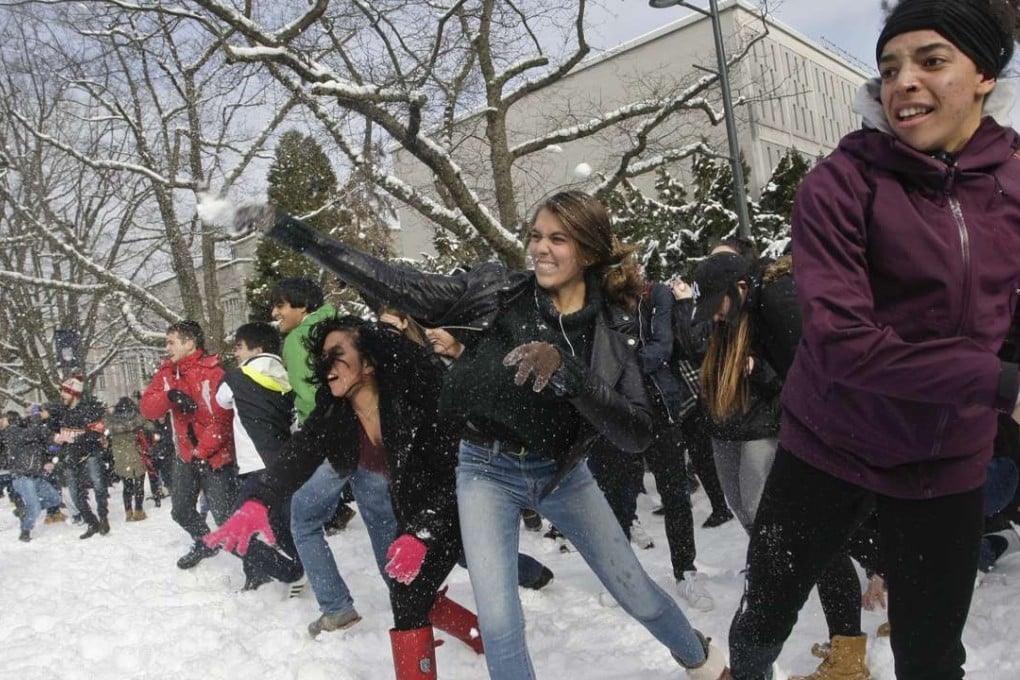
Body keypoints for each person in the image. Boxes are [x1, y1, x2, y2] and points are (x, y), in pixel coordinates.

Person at [231, 189, 728, 679]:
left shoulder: (613, 324)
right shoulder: (500, 294)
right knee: (499, 622)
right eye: (536, 235)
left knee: (635, 592)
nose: (541, 248)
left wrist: (573, 376)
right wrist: (290, 229)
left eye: (559, 238)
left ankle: (700, 661)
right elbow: (396, 283)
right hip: (485, 471)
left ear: (591, 251)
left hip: (562, 477)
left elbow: (636, 433)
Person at [727, 2, 1020, 678]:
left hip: (944, 461)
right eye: (890, 68)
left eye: (931, 61)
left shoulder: (1010, 185)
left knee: (931, 656)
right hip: (831, 444)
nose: (904, 82)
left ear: (983, 75)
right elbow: (843, 343)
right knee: (764, 615)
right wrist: (1001, 385)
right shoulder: (841, 183)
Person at [206, 315, 483, 678]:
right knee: (407, 591)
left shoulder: (416, 401)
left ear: (368, 362)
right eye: (323, 357)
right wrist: (259, 498)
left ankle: (489, 634)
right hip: (421, 510)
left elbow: (452, 475)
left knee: (435, 587)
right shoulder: (338, 410)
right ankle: (477, 636)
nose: (328, 367)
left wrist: (421, 533)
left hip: (471, 500)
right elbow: (300, 453)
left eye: (337, 355)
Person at [140, 320, 237, 569]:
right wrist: (169, 396)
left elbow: (222, 421)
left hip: (215, 457)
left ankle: (259, 563)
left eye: (171, 342)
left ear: (190, 343)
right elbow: (148, 408)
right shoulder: (167, 374)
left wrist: (201, 452)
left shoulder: (213, 372)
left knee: (225, 518)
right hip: (185, 456)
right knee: (180, 510)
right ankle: (206, 542)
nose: (166, 347)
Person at [214, 321, 304, 592]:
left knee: (232, 531)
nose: (237, 354)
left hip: (256, 467)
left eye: (240, 347)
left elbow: (221, 400)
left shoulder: (237, 377)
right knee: (282, 526)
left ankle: (292, 572)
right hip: (286, 463)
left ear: (257, 348)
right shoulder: (289, 377)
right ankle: (304, 569)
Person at [51, 375, 110, 539]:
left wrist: (75, 439)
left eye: (65, 392)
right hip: (70, 456)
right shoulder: (61, 412)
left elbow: (96, 432)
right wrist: (56, 438)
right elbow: (53, 432)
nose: (62, 395)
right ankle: (92, 522)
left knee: (99, 486)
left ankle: (103, 516)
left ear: (74, 394)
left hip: (90, 453)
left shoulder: (89, 410)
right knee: (75, 492)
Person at [1, 410, 63, 542]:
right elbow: (29, 434)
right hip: (22, 477)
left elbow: (45, 443)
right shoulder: (11, 432)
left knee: (55, 499)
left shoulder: (30, 432)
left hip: (36, 475)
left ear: (11, 419)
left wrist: (54, 443)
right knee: (34, 507)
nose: (2, 421)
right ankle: (25, 530)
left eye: (4, 419)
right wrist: (36, 420)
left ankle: (25, 510)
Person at [107, 396, 151, 522]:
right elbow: (150, 427)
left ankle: (128, 512)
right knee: (139, 484)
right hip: (135, 453)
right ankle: (138, 510)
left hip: (120, 456)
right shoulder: (136, 419)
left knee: (127, 486)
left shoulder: (112, 422)